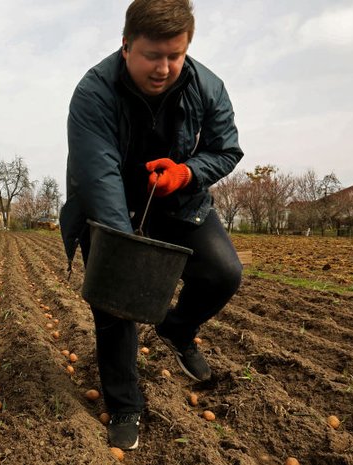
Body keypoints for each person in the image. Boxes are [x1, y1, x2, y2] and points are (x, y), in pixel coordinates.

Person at [59, 0, 243, 451]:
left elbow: (227, 150)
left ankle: (178, 329)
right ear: (126, 46)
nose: (164, 68)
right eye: (152, 55)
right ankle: (124, 404)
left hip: (177, 199)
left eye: (174, 56)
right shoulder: (94, 93)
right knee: (116, 297)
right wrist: (127, 251)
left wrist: (187, 173)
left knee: (224, 273)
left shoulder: (207, 86)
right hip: (109, 204)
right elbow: (98, 175)